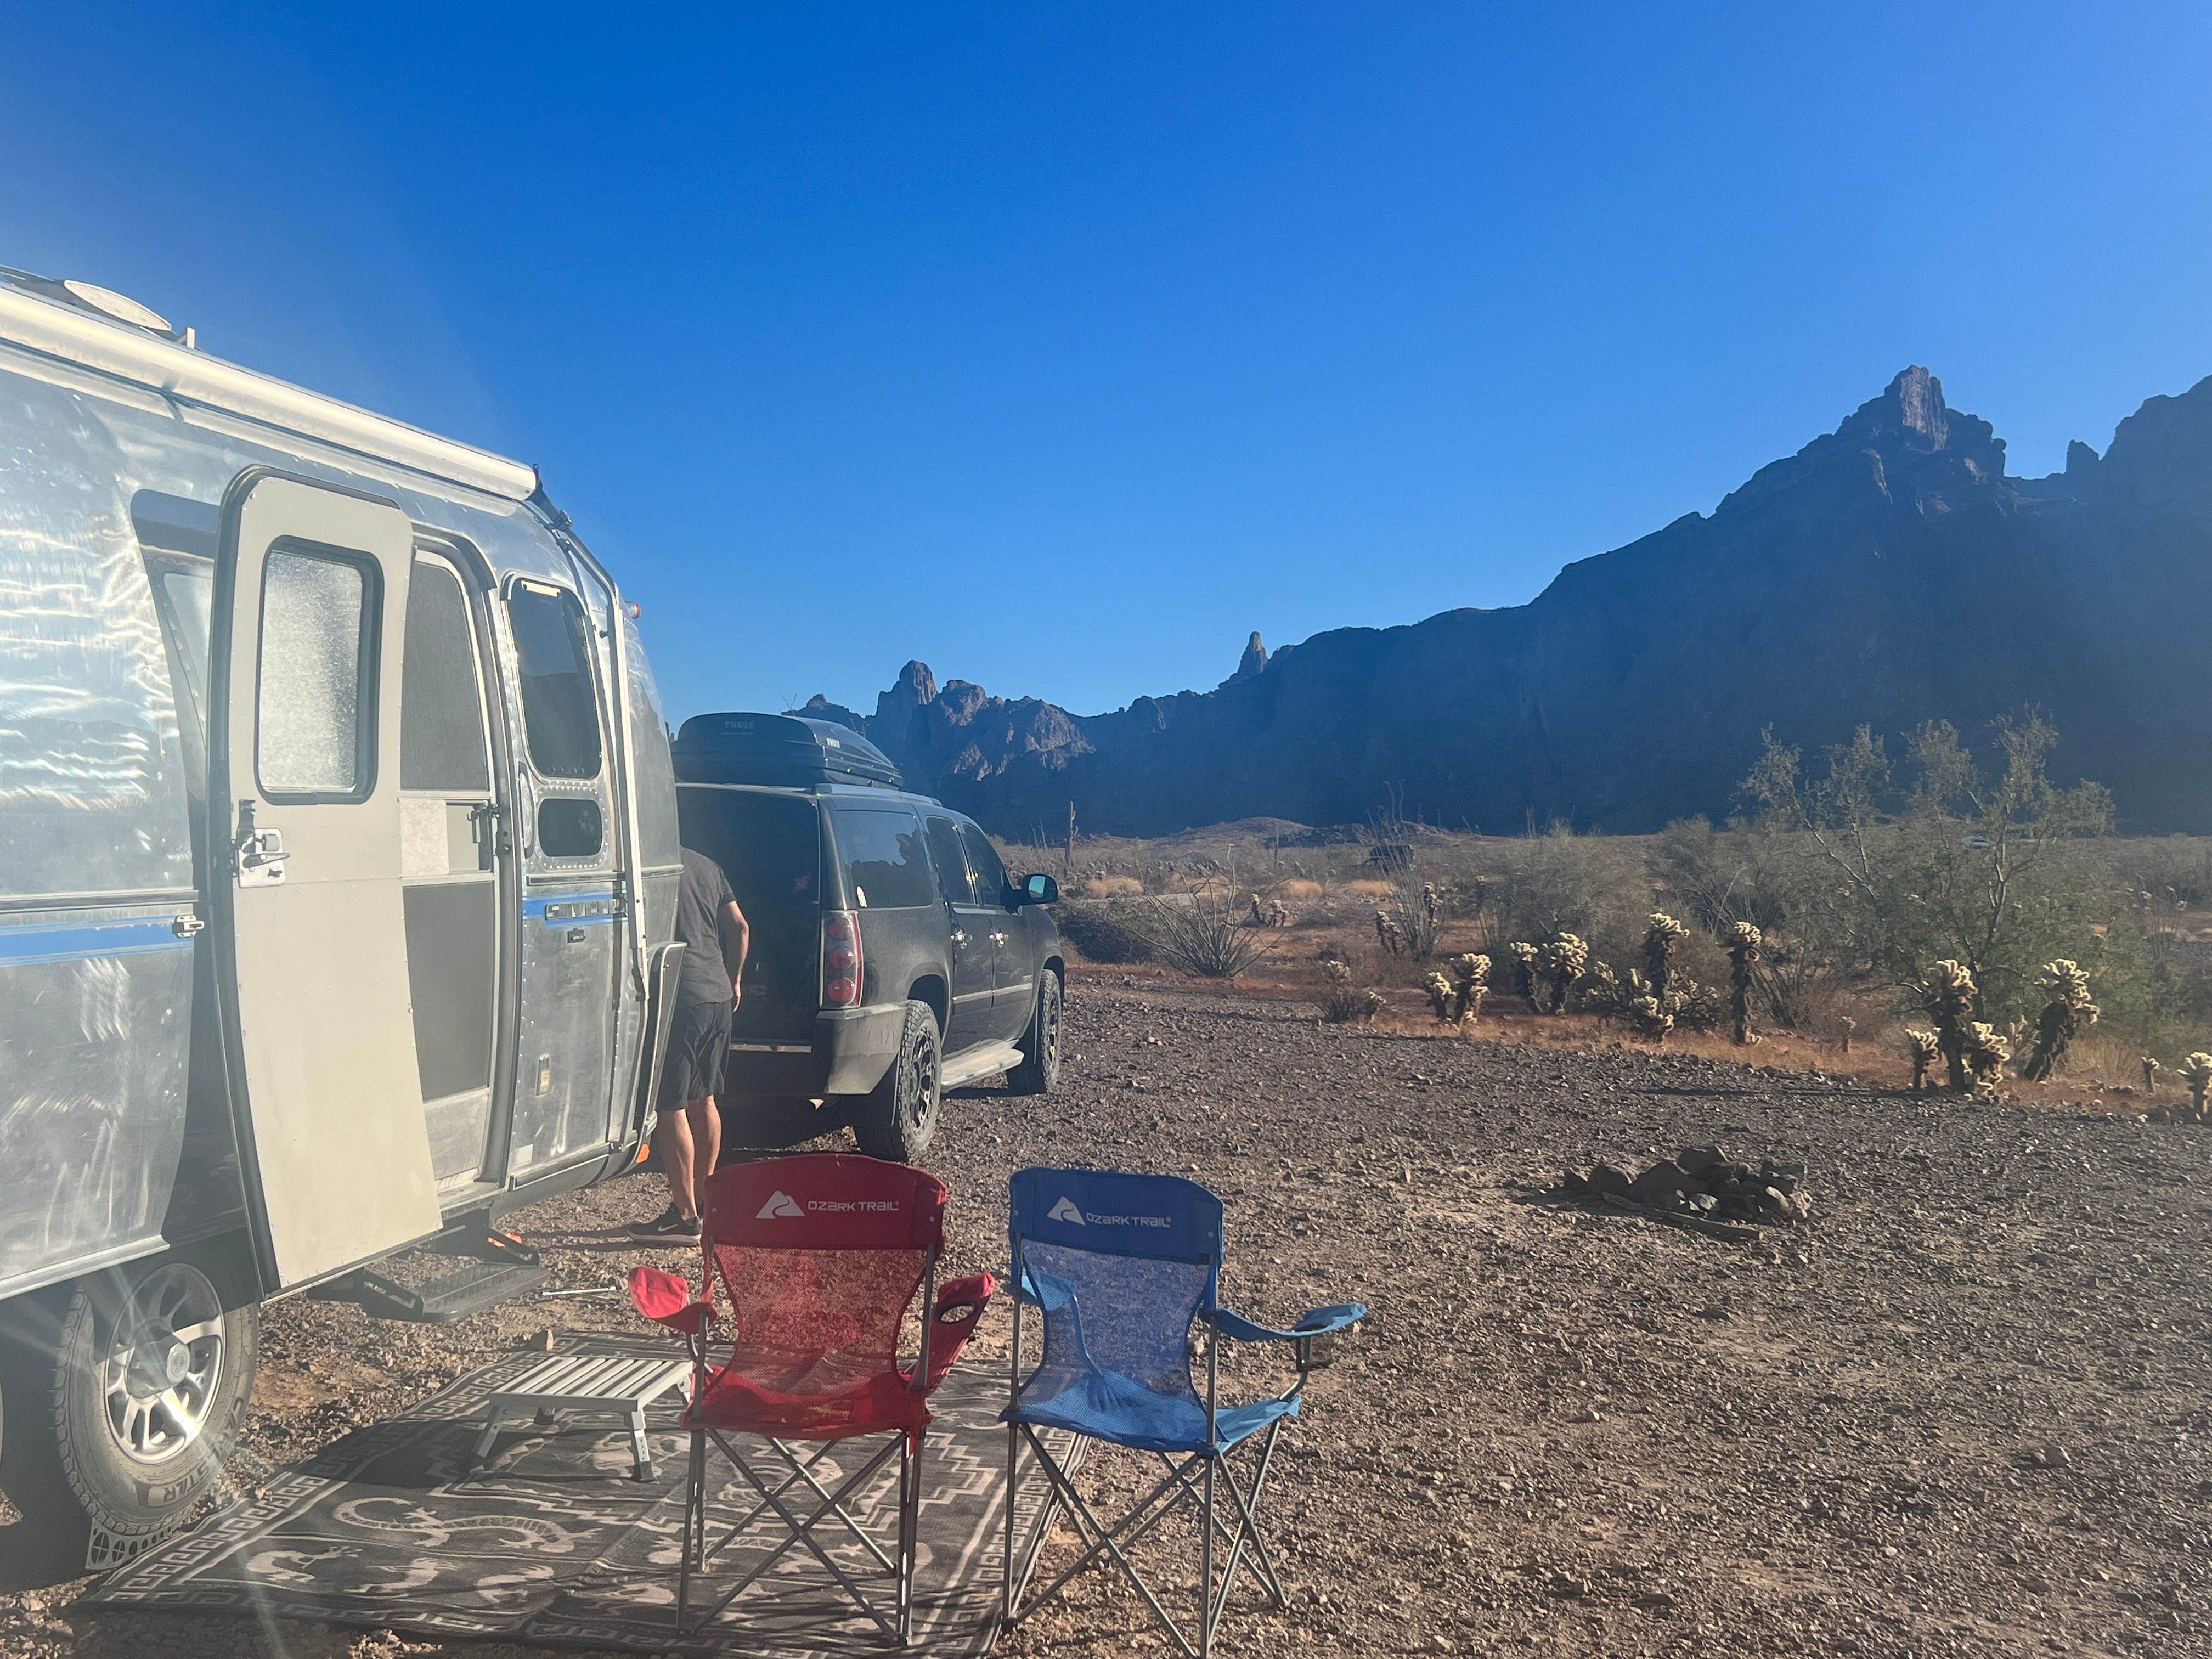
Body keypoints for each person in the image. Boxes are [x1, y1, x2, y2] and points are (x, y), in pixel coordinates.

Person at [629, 848, 749, 1238]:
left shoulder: (646, 860)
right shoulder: (708, 864)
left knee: (671, 1106)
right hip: (717, 995)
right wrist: (734, 979)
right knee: (705, 1100)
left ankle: (683, 1218)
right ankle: (704, 1203)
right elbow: (740, 927)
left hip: (679, 997)